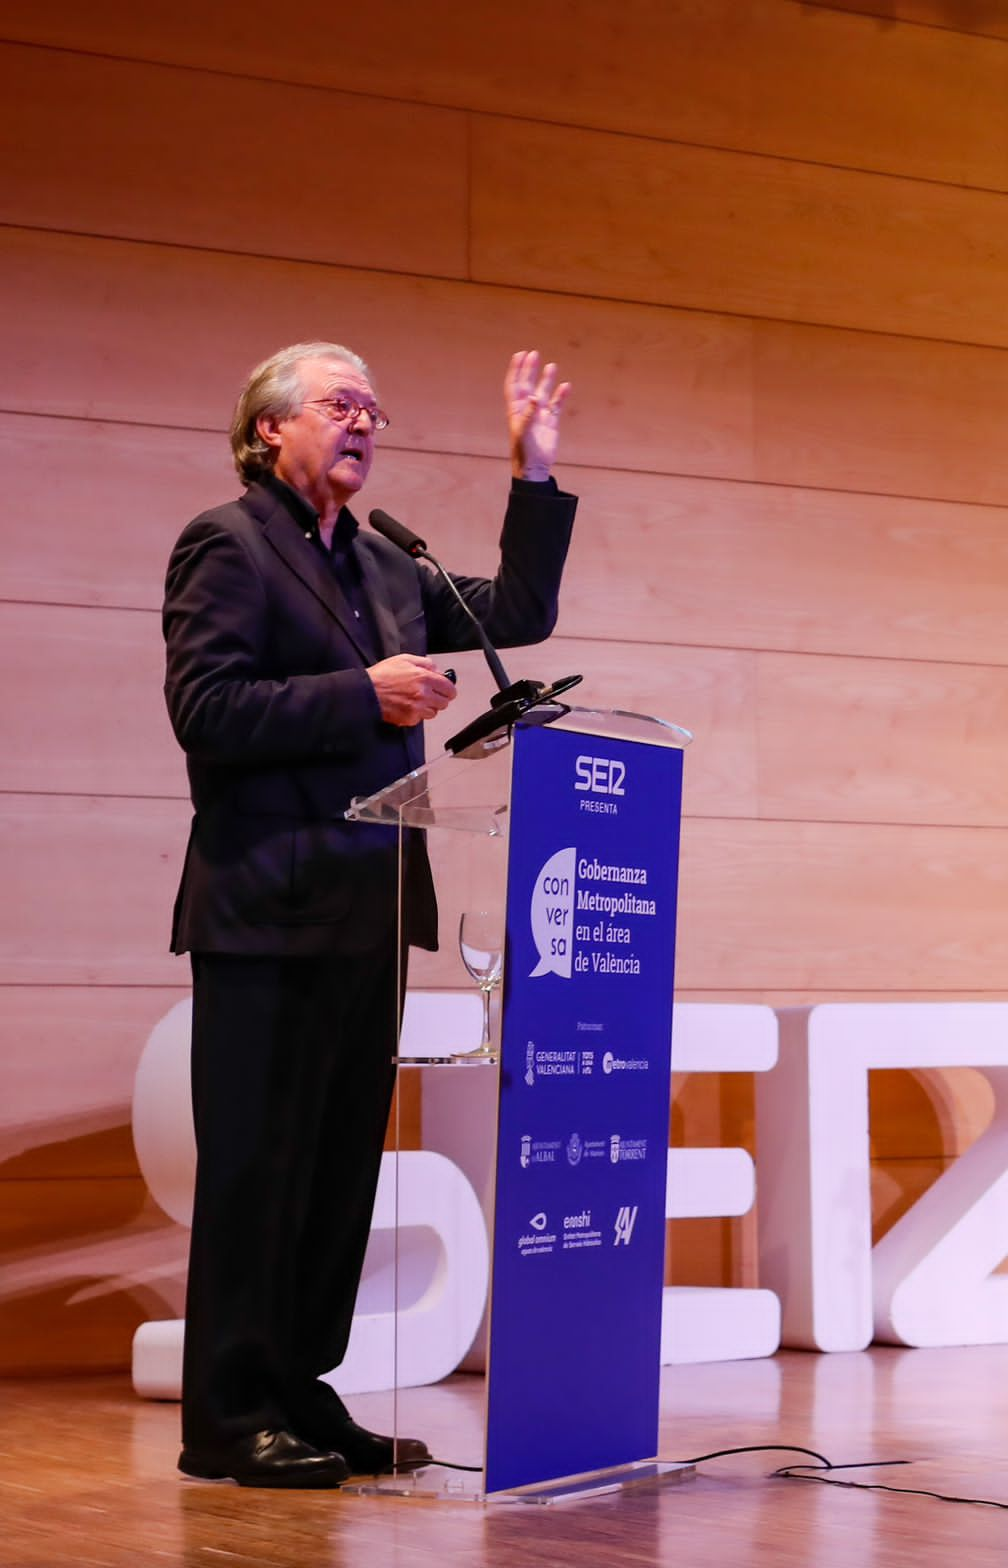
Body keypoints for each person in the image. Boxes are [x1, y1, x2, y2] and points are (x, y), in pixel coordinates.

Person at [162, 344, 577, 1487]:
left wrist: (530, 476)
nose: (366, 422)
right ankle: (228, 1414)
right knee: (258, 1164)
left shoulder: (391, 559)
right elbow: (205, 708)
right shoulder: (225, 542)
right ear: (267, 430)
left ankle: (301, 1389)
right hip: (265, 904)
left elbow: (520, 613)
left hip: (372, 896)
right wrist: (363, 693)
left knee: (340, 1168)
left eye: (375, 408)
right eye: (341, 403)